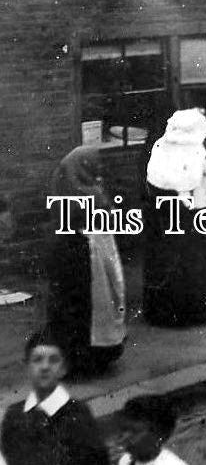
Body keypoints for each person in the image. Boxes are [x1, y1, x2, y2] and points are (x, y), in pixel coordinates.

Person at [1, 334, 110, 465]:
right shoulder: (15, 416)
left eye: (53, 360)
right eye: (37, 360)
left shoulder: (78, 415)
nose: (44, 367)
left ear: (63, 369)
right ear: (27, 367)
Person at [46, 146, 126, 375]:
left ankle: (75, 356)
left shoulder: (64, 189)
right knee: (97, 303)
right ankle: (93, 355)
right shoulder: (91, 193)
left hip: (76, 251)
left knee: (76, 307)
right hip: (91, 253)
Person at [143, 108, 206, 327]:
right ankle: (190, 310)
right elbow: (190, 180)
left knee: (172, 261)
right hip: (188, 213)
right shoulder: (189, 150)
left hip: (170, 213)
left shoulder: (162, 147)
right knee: (190, 262)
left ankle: (173, 310)